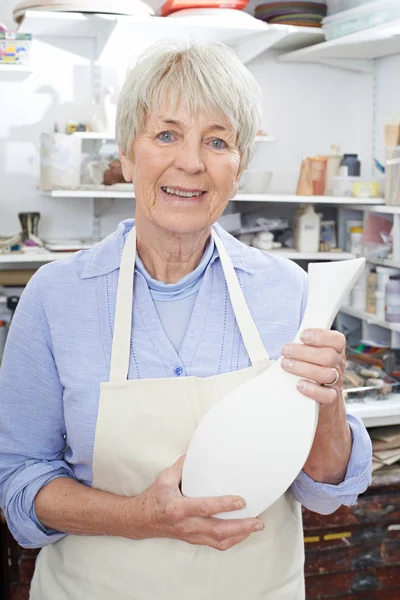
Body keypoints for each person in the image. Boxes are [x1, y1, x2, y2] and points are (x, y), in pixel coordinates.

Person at [0, 42, 372, 599]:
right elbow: (21, 485)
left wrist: (330, 397)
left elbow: (323, 492)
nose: (192, 162)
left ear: (237, 166)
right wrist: (142, 516)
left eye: (216, 141)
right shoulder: (55, 299)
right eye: (167, 134)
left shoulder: (287, 290)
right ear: (127, 154)